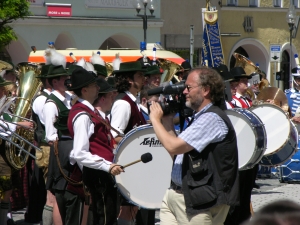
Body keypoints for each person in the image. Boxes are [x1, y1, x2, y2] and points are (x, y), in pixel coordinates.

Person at [149, 67, 239, 225]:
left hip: (200, 202)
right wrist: (168, 121)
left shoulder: (212, 118)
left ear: (205, 90)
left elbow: (173, 147)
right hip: (176, 196)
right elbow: (178, 154)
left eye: (188, 87)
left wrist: (155, 120)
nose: (184, 92)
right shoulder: (199, 117)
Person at [67, 67, 124, 225]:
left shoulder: (90, 111)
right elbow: (80, 153)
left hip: (102, 172)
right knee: (104, 218)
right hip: (98, 174)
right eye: (94, 86)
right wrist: (107, 166)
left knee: (108, 216)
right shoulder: (82, 115)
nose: (98, 88)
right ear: (85, 90)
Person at [110, 61, 155, 225]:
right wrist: (139, 143)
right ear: (129, 79)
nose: (144, 78)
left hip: (136, 161)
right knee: (128, 208)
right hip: (128, 163)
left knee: (134, 208)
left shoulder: (131, 100)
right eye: (140, 75)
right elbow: (114, 136)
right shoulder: (123, 103)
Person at [224, 66, 257, 225]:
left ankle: (244, 218)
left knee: (246, 191)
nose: (247, 84)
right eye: (244, 81)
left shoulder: (248, 100)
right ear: (235, 85)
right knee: (238, 192)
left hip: (250, 151)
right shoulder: (231, 103)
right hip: (239, 151)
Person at [0, 75, 33, 225]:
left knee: (8, 188)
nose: (4, 92)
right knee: (5, 188)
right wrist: (20, 124)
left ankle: (6, 216)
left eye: (3, 89)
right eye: (1, 89)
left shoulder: (5, 107)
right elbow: (3, 126)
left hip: (6, 153)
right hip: (1, 155)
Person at [43, 64, 73, 225]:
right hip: (59, 152)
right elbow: (50, 136)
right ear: (54, 82)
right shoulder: (51, 104)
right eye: (63, 78)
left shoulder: (68, 98)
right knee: (53, 196)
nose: (67, 80)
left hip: (69, 150)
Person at [25, 64, 52, 223]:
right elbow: (47, 123)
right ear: (50, 81)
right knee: (44, 188)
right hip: (45, 145)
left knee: (43, 187)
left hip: (46, 144)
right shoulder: (42, 99)